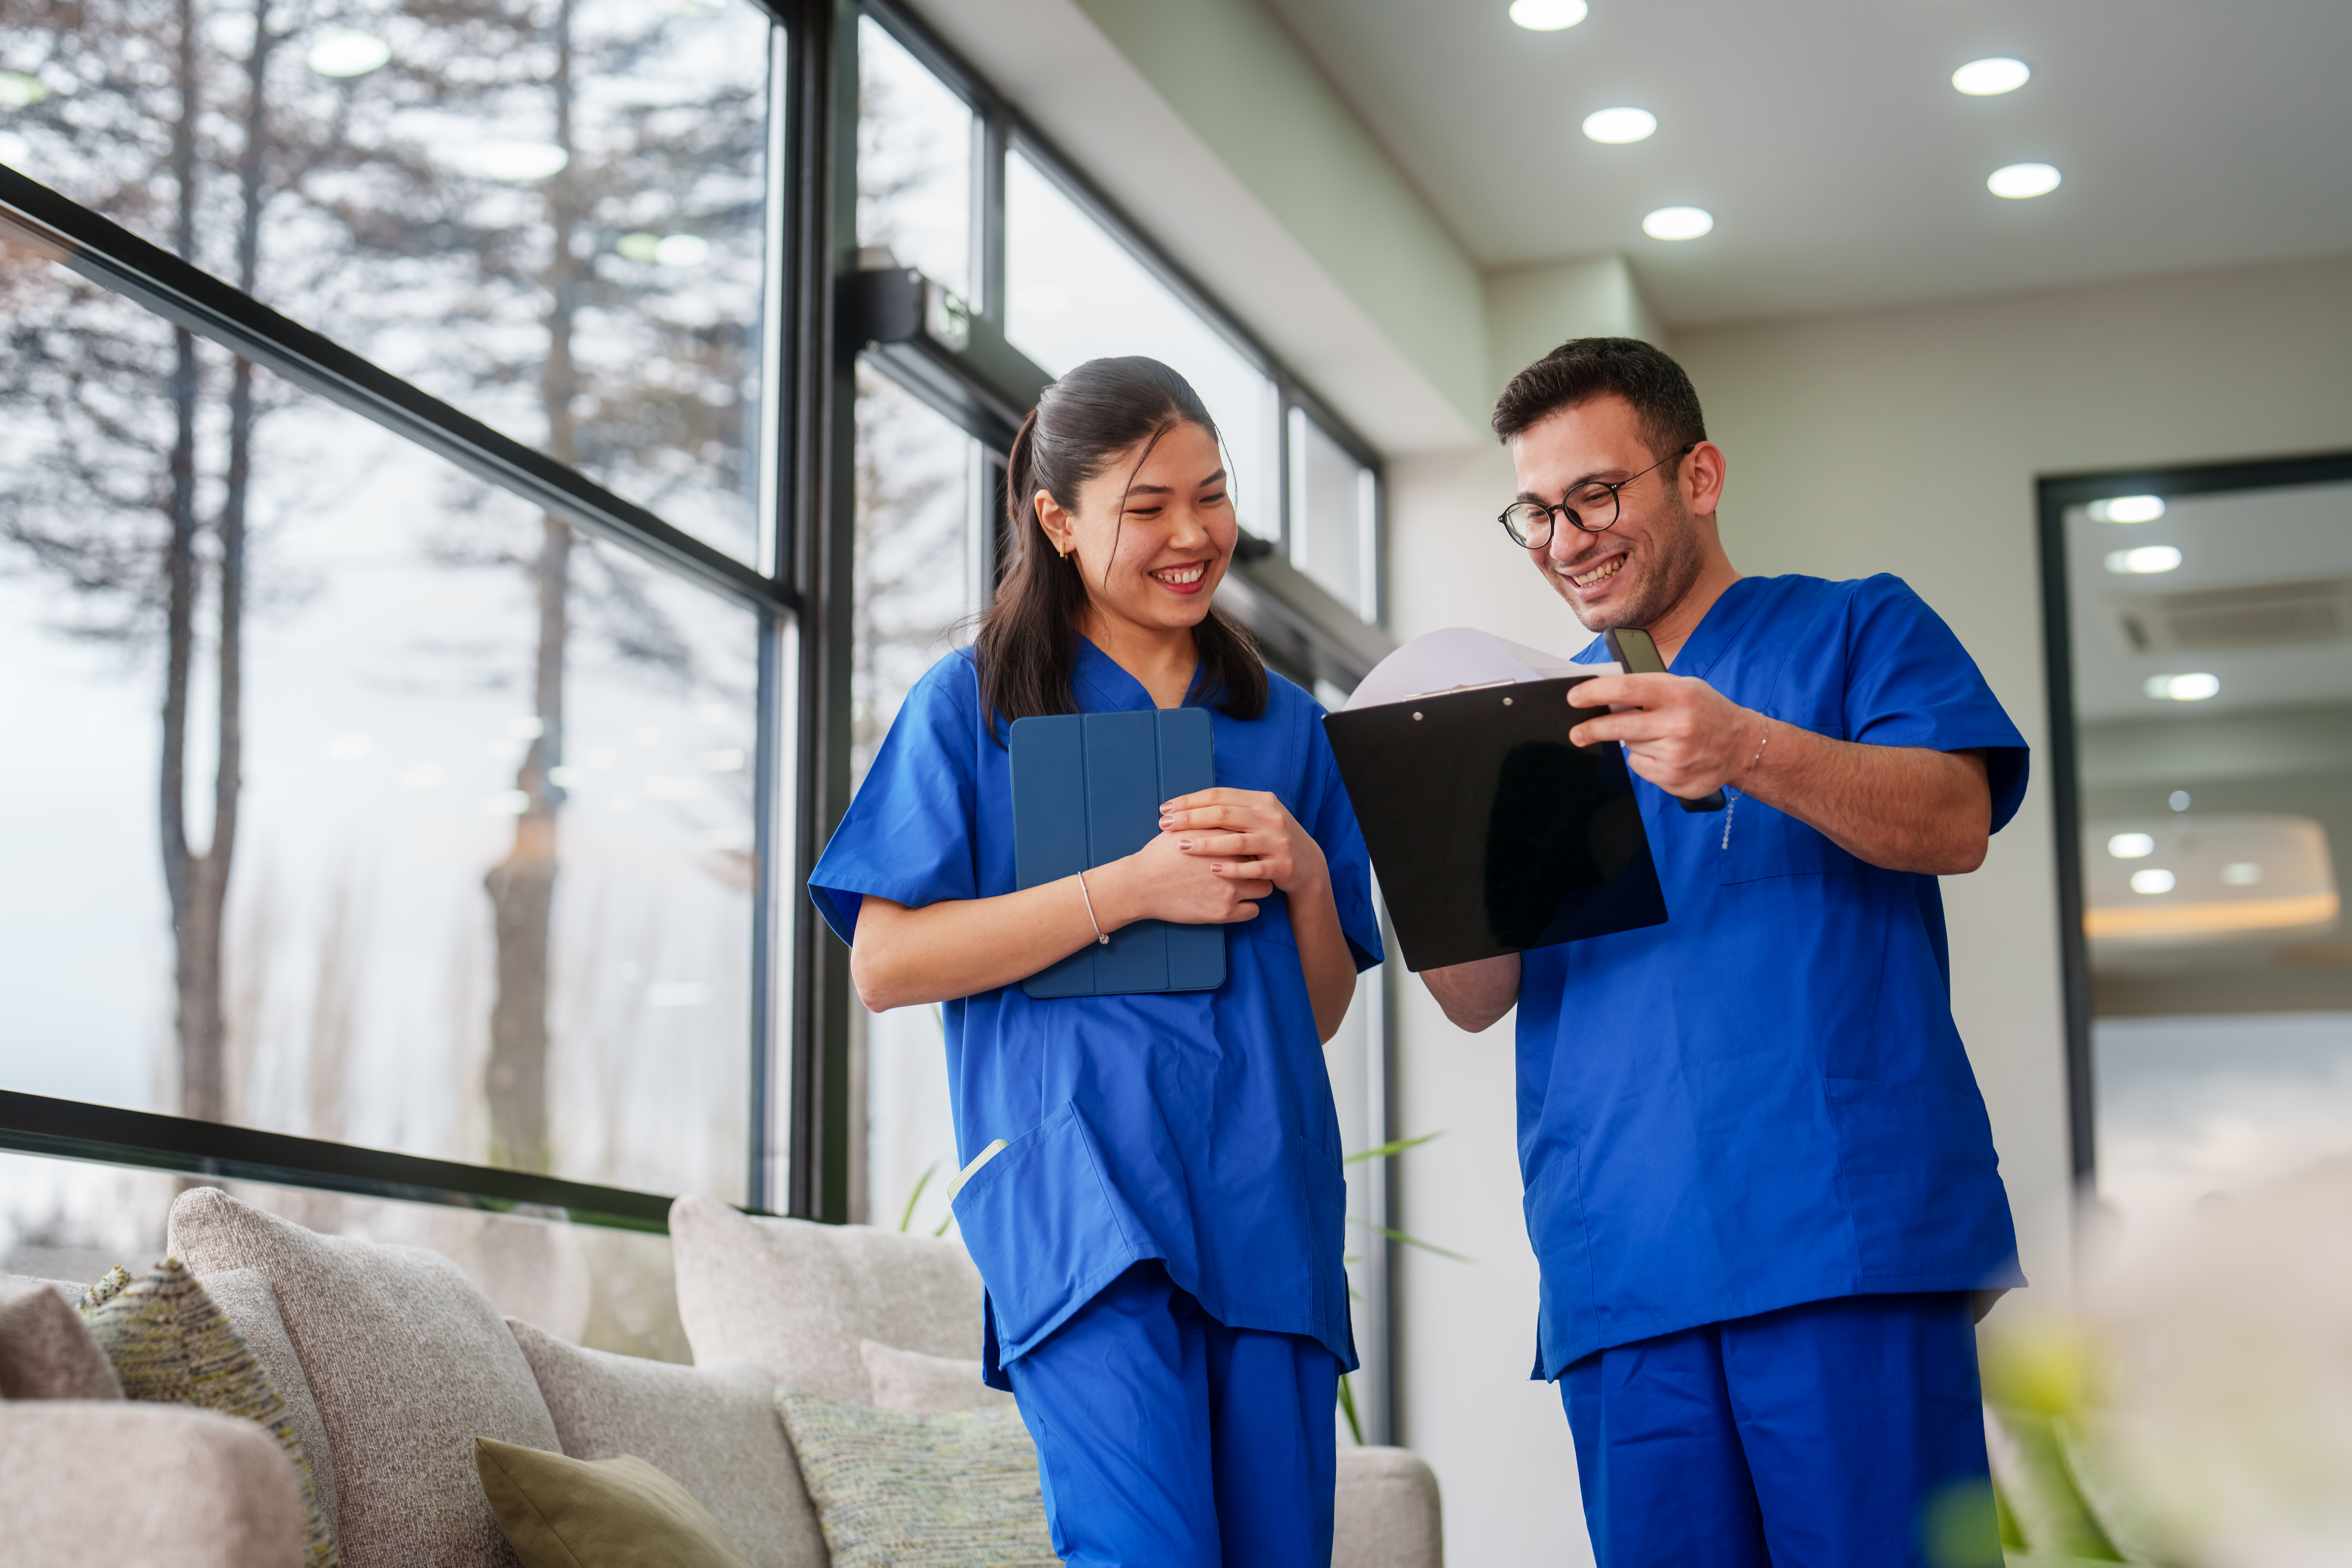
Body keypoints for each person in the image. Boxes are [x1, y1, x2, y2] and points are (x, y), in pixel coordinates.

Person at [1422, 338, 2028, 1568]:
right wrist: (1430, 842)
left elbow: (1954, 823)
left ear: (1697, 476)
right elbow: (1473, 1000)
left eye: (1595, 495)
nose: (1565, 539)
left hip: (1838, 1246)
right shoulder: (1532, 726)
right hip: (1623, 1267)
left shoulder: (1857, 629)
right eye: (1534, 514)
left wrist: (1750, 749)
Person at [808, 356, 1382, 1568]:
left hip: (1265, 1205)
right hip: (1083, 1204)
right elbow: (887, 962)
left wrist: (1308, 875)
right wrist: (1127, 890)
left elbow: (1318, 1010)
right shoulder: (971, 707)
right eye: (1149, 507)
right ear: (1058, 523)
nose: (1193, 535)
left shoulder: (1289, 728)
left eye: (1212, 497)